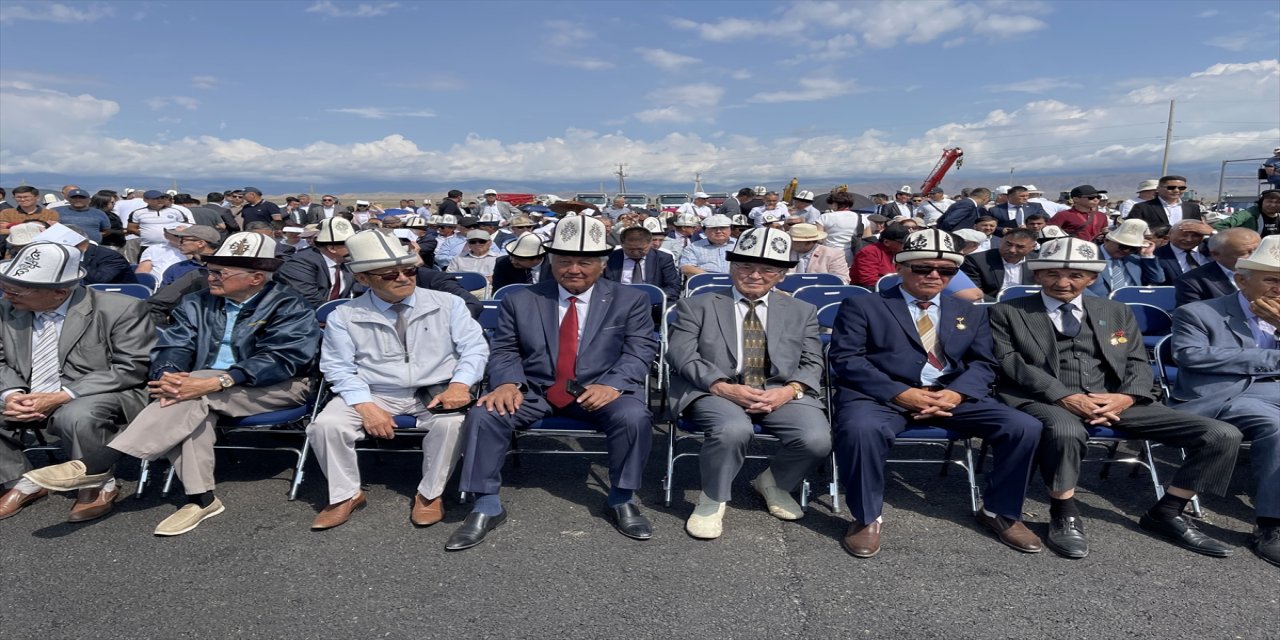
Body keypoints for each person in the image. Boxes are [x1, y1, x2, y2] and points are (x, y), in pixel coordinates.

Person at [22, 232, 322, 536]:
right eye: (210, 270)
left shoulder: (289, 306)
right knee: (191, 403)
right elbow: (174, 346)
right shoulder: (197, 302)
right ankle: (201, 500)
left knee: (193, 391)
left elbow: (284, 358)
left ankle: (98, 463)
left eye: (220, 272)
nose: (210, 277)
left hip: (276, 385)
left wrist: (220, 379)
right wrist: (168, 374)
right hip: (199, 389)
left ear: (256, 277)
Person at [989, 236, 1243, 559]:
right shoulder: (1008, 311)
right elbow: (1011, 363)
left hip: (1113, 399)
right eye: (1052, 273)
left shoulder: (1115, 310)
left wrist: (1125, 398)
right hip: (1043, 398)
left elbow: (1138, 361)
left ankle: (1168, 511)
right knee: (1066, 430)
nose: (1063, 282)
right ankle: (1063, 511)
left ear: (1092, 278)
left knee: (1221, 434)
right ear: (1037, 275)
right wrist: (1065, 396)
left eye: (1075, 275)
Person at [447, 215, 659, 550]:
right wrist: (506, 383)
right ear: (551, 261)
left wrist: (613, 384)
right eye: (564, 260)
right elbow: (504, 348)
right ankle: (485, 504)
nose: (573, 269)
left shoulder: (629, 300)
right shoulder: (522, 299)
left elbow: (640, 349)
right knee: (485, 413)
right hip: (534, 388)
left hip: (601, 389)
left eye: (584, 262)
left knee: (634, 417)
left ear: (603, 265)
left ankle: (621, 497)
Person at [828, 229, 1044, 557]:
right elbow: (846, 360)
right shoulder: (863, 306)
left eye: (945, 271)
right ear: (901, 267)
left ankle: (999, 511)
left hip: (949, 395)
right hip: (881, 396)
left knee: (1024, 426)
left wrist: (957, 394)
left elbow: (984, 363)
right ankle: (866, 516)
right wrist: (900, 393)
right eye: (923, 268)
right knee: (860, 429)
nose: (934, 275)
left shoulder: (971, 310)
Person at [308, 230, 489, 530]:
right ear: (363, 279)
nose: (403, 278)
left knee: (451, 424)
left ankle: (430, 495)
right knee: (326, 426)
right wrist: (365, 406)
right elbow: (338, 368)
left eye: (409, 270)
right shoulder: (345, 315)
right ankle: (345, 495)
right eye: (390, 274)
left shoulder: (448, 304)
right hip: (373, 390)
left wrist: (460, 384)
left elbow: (475, 347)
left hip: (434, 389)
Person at [666, 227, 830, 539]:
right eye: (745, 266)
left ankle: (774, 482)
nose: (755, 275)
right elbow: (681, 354)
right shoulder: (698, 305)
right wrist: (722, 386)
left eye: (767, 269)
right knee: (733, 429)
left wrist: (789, 391)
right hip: (715, 390)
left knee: (816, 438)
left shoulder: (802, 311)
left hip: (778, 390)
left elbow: (812, 361)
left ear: (781, 275)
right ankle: (712, 498)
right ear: (731, 267)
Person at [0, 242, 154, 522]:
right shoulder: (6, 308)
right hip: (29, 389)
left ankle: (96, 484)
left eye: (18, 289)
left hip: (103, 390)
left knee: (78, 413)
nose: (7, 292)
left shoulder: (120, 308)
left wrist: (61, 395)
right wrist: (11, 394)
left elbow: (131, 367)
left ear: (60, 291)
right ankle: (22, 481)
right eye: (5, 284)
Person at [1169, 235, 1280, 565]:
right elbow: (1191, 355)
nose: (1279, 289)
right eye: (1272, 279)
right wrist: (1271, 359)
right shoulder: (1199, 312)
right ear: (1241, 279)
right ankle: (1271, 525)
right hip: (1228, 394)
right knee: (1276, 427)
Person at [272, 217, 357, 308]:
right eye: (350, 245)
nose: (356, 249)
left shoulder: (346, 264)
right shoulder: (299, 264)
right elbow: (310, 299)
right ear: (332, 248)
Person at [1175, 228, 1260, 306]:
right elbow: (1191, 317)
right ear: (1215, 254)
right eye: (1244, 253)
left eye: (1259, 250)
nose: (1255, 256)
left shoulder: (1271, 270)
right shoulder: (1192, 282)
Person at [1087, 218, 1165, 297]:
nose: (1127, 251)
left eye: (1133, 248)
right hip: (1099, 304)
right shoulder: (1089, 258)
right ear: (1106, 240)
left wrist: (1147, 255)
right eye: (1123, 246)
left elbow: (1157, 279)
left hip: (1133, 303)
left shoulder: (1134, 259)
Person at [604, 225, 682, 303]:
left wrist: (654, 297)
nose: (636, 252)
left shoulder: (663, 259)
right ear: (622, 244)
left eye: (641, 249)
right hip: (616, 302)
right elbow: (601, 285)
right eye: (631, 249)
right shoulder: (609, 258)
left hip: (651, 303)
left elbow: (673, 287)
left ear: (650, 243)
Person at [961, 228, 1038, 301]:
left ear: (1032, 247)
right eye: (1008, 244)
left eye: (1020, 247)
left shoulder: (1037, 262)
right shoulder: (976, 260)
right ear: (1001, 241)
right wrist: (1001, 306)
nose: (1012, 250)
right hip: (992, 306)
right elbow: (973, 291)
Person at [1127, 175, 1203, 227]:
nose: (1176, 190)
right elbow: (1132, 229)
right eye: (1171, 187)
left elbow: (1197, 227)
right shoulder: (1142, 208)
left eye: (1181, 188)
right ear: (1158, 188)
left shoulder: (1192, 208)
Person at [851, 223, 911, 288]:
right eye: (902, 243)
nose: (906, 245)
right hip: (872, 291)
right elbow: (869, 280)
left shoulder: (904, 252)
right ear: (886, 242)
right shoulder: (870, 252)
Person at [128, 190, 194, 248]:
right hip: (148, 246)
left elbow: (185, 227)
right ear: (146, 200)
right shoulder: (137, 213)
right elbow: (131, 228)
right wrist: (146, 234)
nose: (159, 200)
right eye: (155, 198)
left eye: (161, 198)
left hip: (172, 246)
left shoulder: (176, 211)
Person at [817, 191, 866, 265]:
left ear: (835, 204)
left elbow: (819, 239)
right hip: (851, 255)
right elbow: (867, 237)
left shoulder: (824, 217)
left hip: (828, 254)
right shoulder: (860, 218)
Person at [1213, 189, 1280, 238]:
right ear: (1261, 202)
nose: (1273, 205)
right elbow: (1220, 226)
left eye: (1277, 202)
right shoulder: (1247, 215)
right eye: (1269, 201)